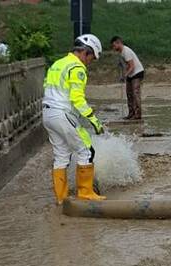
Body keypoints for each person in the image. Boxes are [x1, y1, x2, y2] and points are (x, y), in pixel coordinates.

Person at [42, 34, 106, 204]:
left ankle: (61, 198)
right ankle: (85, 193)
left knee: (61, 156)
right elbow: (77, 98)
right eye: (92, 57)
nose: (90, 62)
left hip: (47, 114)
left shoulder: (58, 64)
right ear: (86, 52)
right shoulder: (77, 68)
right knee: (86, 150)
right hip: (62, 114)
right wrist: (94, 120)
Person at [110, 36, 145, 120]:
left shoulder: (126, 51)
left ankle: (137, 115)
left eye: (114, 46)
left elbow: (132, 66)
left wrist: (124, 76)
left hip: (137, 73)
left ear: (119, 43)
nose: (113, 48)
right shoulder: (121, 52)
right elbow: (126, 65)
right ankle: (131, 113)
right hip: (130, 74)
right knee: (129, 94)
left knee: (135, 94)